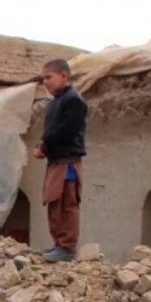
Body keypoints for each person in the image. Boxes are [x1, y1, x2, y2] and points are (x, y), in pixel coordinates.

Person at [33, 59, 87, 262]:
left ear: (64, 76)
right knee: (55, 204)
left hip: (67, 163)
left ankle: (67, 247)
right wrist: (42, 145)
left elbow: (65, 132)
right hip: (56, 162)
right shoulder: (56, 102)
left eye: (49, 77)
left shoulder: (73, 100)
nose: (45, 82)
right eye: (43, 78)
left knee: (66, 204)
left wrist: (44, 147)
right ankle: (58, 245)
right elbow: (51, 131)